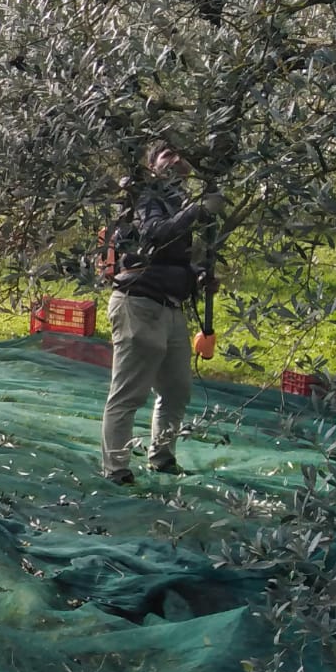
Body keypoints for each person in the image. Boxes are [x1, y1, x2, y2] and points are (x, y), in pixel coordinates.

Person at [100, 140, 225, 484]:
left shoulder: (176, 200)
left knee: (176, 390)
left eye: (179, 152)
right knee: (128, 392)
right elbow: (154, 236)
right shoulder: (145, 196)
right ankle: (116, 469)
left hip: (171, 308)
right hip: (139, 302)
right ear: (152, 164)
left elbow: (172, 258)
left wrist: (199, 276)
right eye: (166, 153)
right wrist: (198, 210)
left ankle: (162, 457)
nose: (176, 158)